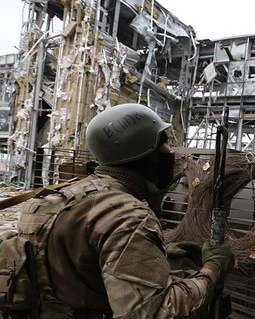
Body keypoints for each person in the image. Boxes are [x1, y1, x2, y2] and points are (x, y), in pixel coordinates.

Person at [14, 103, 234, 318]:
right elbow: (157, 312)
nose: (172, 151)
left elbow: (76, 264)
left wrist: (159, 250)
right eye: (164, 143)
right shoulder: (128, 216)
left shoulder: (53, 198)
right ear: (145, 153)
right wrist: (211, 271)